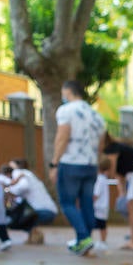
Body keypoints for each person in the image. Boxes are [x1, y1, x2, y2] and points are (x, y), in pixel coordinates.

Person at [48, 79, 105, 256]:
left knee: (67, 203)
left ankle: (83, 237)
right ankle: (86, 241)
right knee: (87, 203)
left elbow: (62, 136)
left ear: (68, 92)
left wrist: (55, 162)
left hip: (71, 163)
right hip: (90, 165)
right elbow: (101, 144)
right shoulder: (97, 116)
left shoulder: (66, 110)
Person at [4, 159, 58, 234]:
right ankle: (34, 235)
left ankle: (34, 235)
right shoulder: (30, 174)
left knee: (13, 219)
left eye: (11, 167)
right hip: (50, 211)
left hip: (41, 212)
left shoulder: (19, 172)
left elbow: (24, 186)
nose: (9, 169)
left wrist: (9, 190)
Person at [93, 161, 117, 250]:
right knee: (103, 225)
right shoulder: (104, 179)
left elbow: (96, 194)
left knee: (95, 225)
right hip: (103, 207)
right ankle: (103, 241)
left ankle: (98, 241)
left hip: (98, 207)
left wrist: (91, 202)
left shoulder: (100, 179)